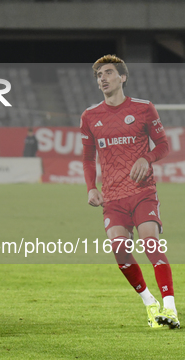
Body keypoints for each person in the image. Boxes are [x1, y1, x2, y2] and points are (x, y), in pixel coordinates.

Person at [80, 54, 178, 329]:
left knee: (150, 243)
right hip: (112, 198)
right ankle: (150, 304)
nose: (103, 79)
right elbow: (88, 158)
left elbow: (163, 146)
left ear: (122, 77)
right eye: (99, 75)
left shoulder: (144, 108)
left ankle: (170, 308)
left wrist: (146, 158)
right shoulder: (90, 116)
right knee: (120, 251)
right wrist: (91, 188)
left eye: (108, 73)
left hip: (142, 191)